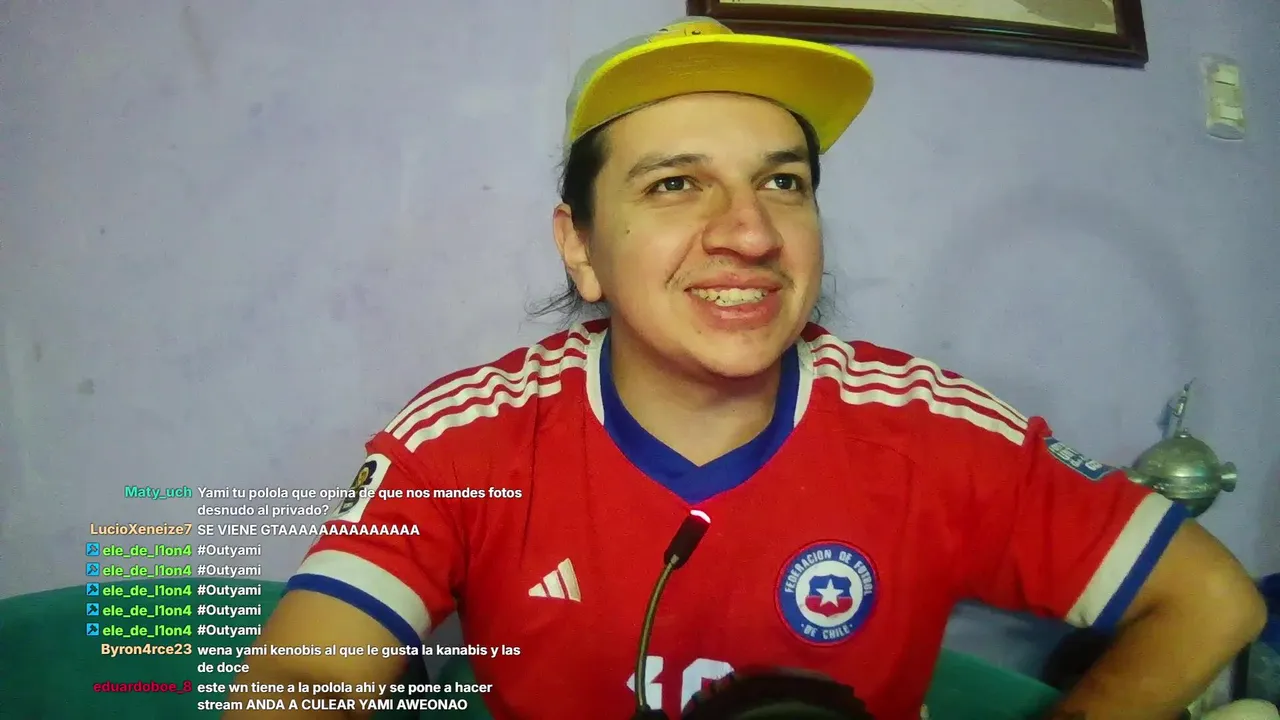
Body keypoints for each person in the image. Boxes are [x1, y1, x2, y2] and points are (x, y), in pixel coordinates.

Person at [224, 16, 1266, 720]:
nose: (750, 232)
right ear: (579, 246)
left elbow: (1213, 603)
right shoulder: (469, 439)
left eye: (783, 183)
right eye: (675, 185)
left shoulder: (932, 431)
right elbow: (303, 675)